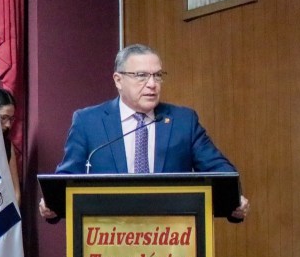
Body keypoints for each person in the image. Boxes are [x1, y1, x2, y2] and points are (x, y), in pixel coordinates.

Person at [39, 43, 249, 220]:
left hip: (171, 241)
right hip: (106, 239)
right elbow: (67, 176)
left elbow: (220, 170)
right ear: (118, 80)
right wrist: (52, 205)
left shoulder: (183, 121)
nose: (152, 84)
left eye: (157, 76)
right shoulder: (88, 122)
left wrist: (233, 201)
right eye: (141, 76)